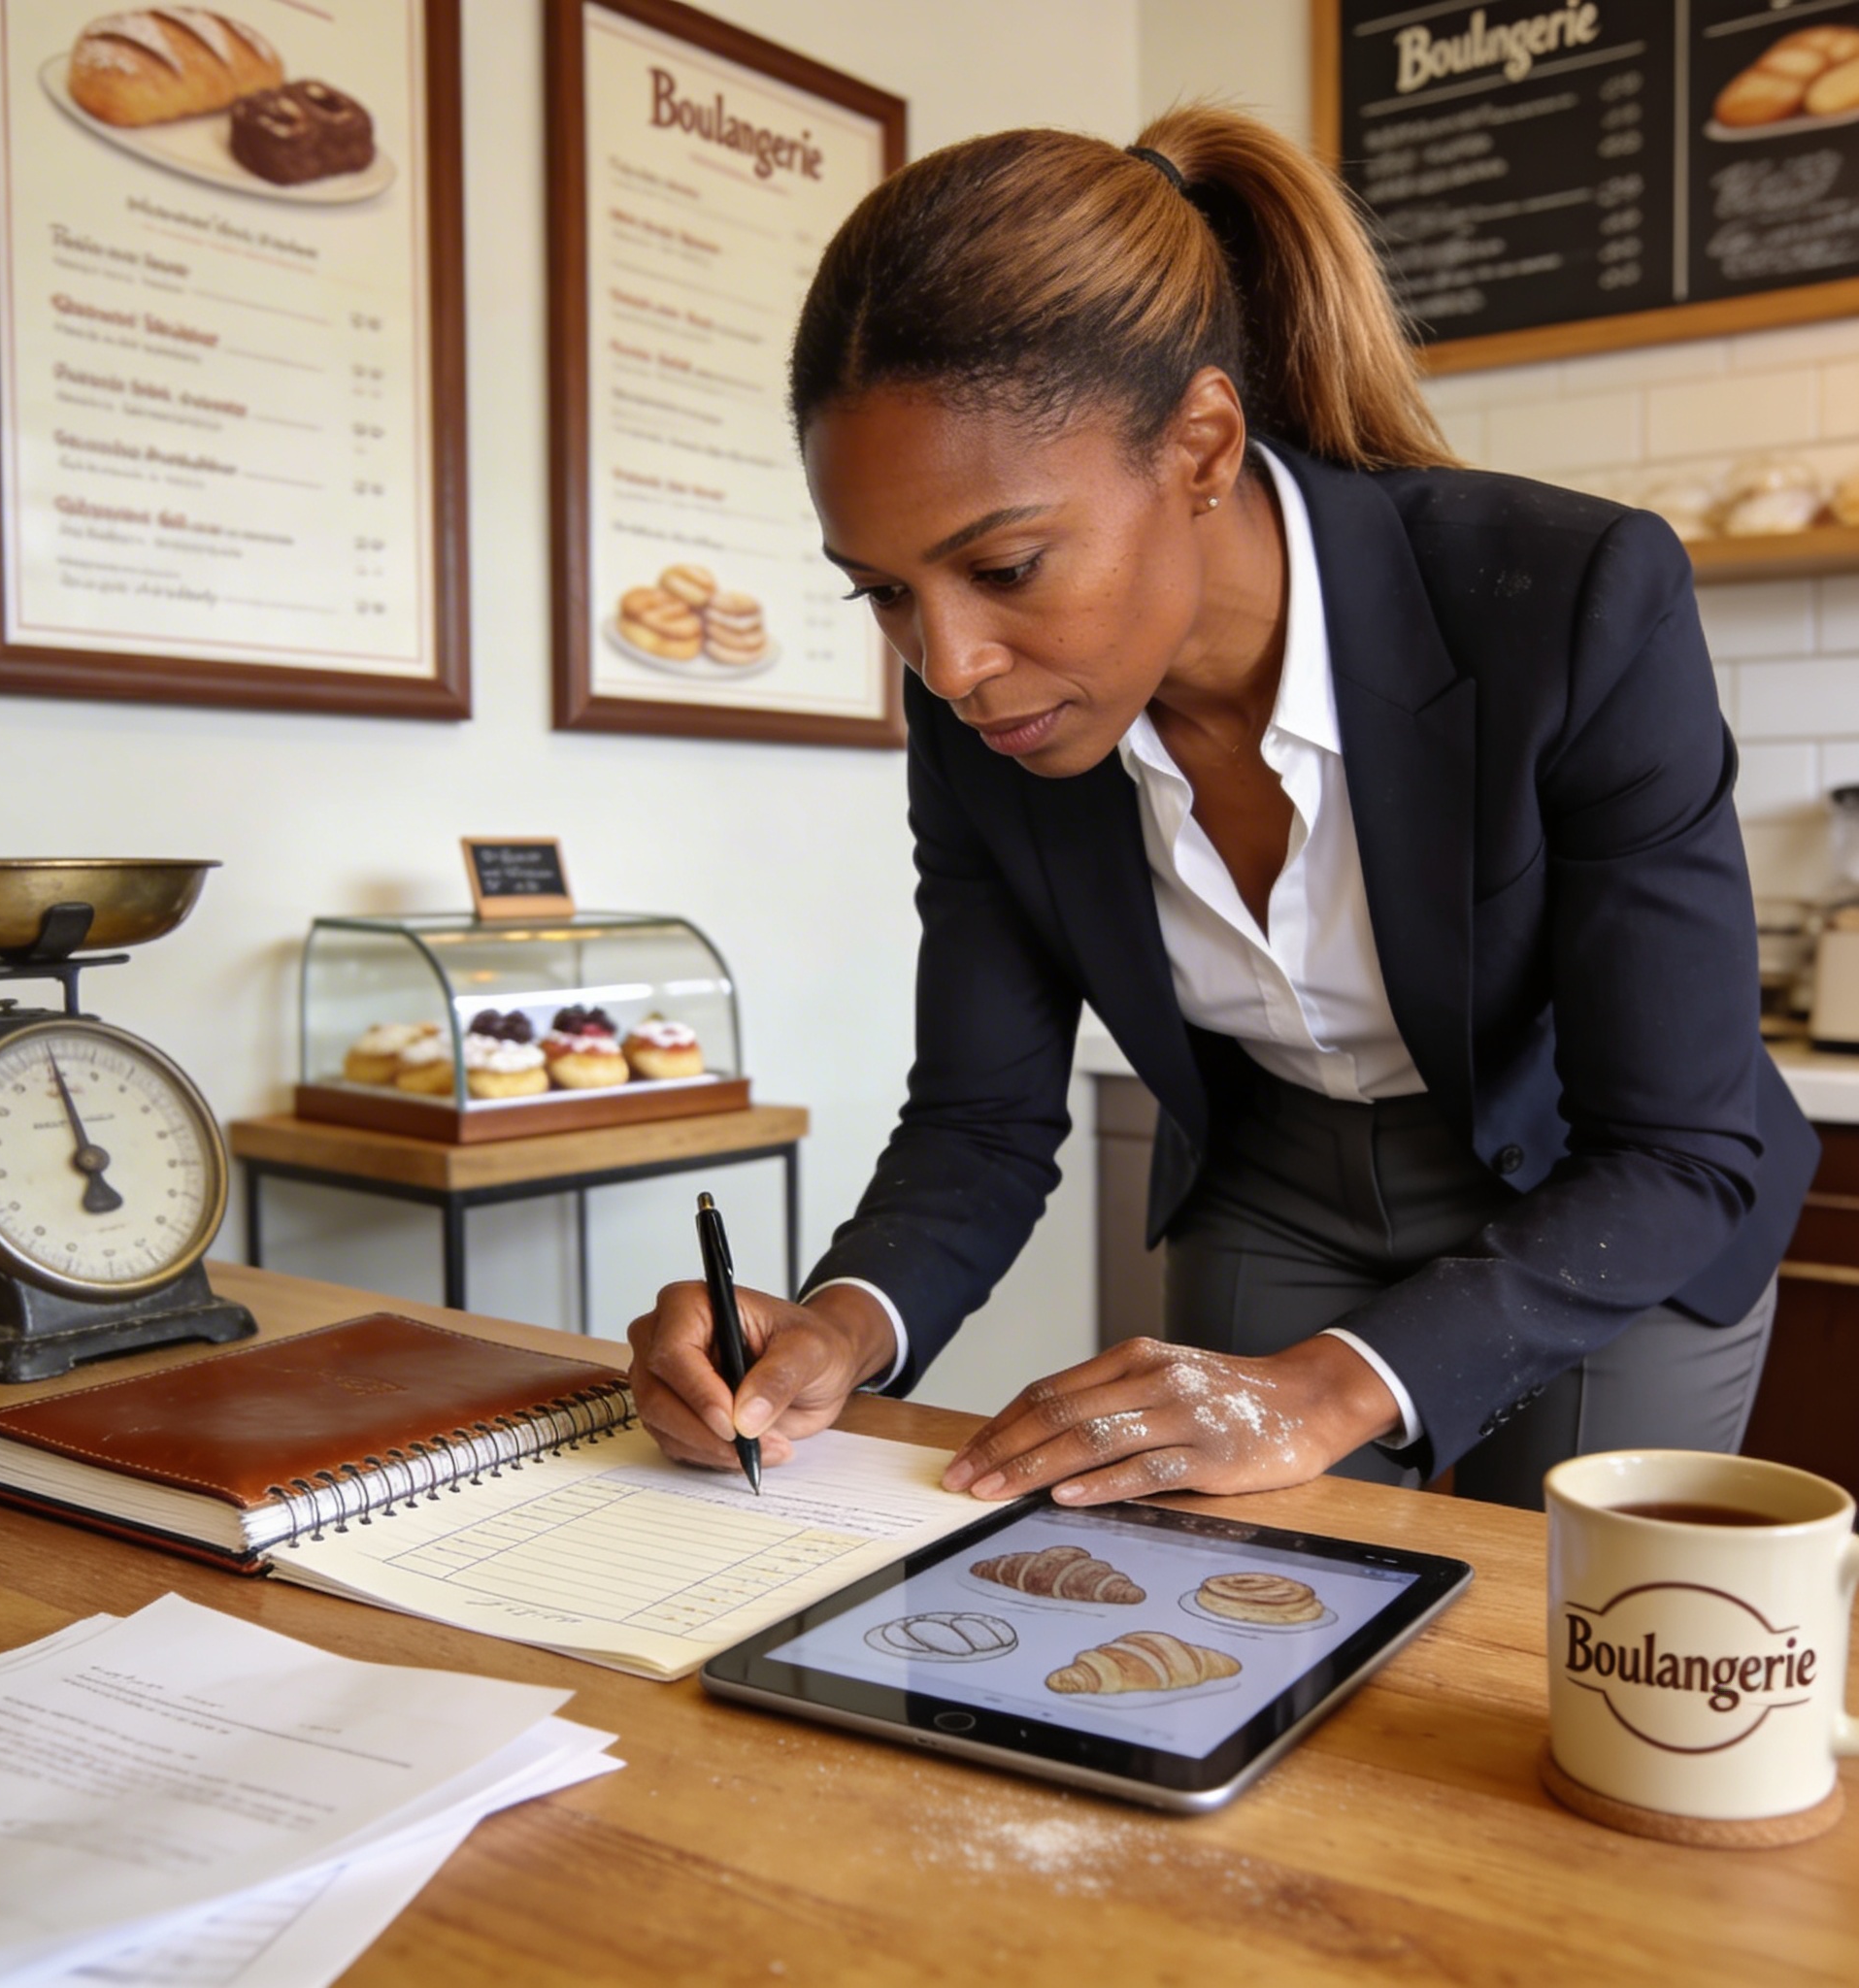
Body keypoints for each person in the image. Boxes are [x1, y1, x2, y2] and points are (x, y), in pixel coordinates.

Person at [626, 105, 1818, 1511]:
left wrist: (1327, 1388)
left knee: (1552, 1651)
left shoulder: (1570, 601)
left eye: (1003, 566)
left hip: (1594, 1196)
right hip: (1279, 1183)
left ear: (1200, 446)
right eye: (883, 591)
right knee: (1227, 1635)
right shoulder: (987, 714)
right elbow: (981, 1119)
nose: (945, 665)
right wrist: (838, 1324)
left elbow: (1676, 1149)